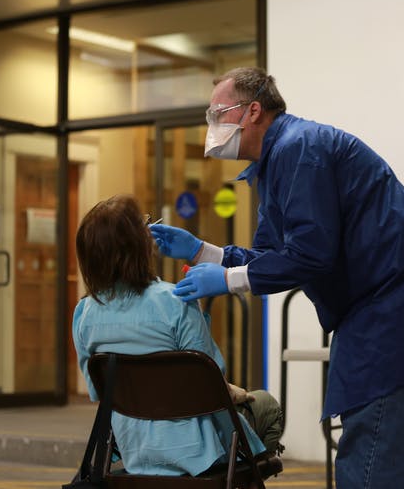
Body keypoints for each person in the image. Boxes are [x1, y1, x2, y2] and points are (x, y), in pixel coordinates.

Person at [150, 67, 404, 488]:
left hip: (397, 305)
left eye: (218, 113)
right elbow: (277, 256)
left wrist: (229, 281)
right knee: (365, 445)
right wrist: (204, 252)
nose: (212, 126)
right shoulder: (277, 161)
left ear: (253, 110)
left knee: (372, 457)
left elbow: (310, 255)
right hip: (375, 307)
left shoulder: (299, 148)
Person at [72, 193, 284, 477]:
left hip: (134, 450)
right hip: (199, 452)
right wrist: (236, 392)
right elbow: (212, 384)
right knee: (268, 407)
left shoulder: (84, 313)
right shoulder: (177, 300)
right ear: (141, 245)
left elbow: (99, 390)